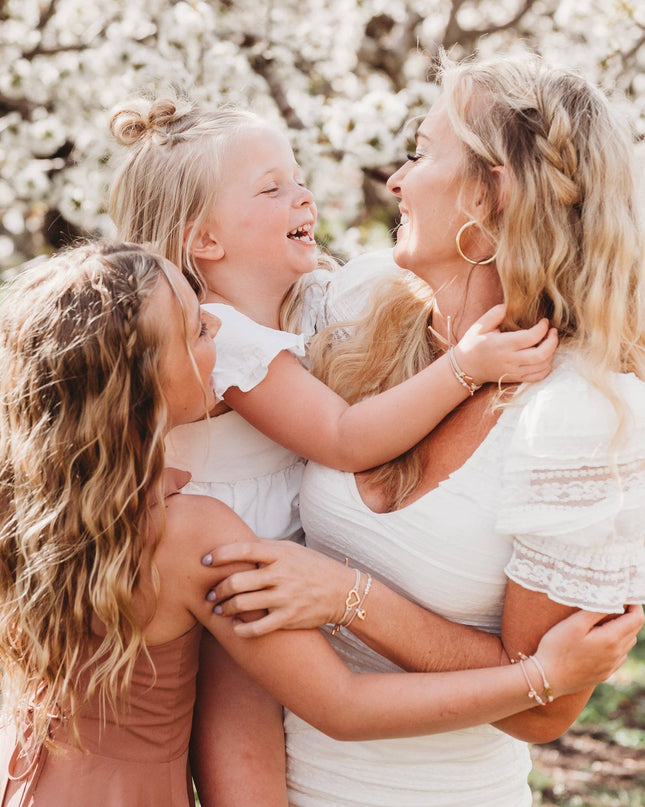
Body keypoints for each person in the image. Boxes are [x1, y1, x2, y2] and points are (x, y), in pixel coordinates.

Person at [2, 242, 638, 807]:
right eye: (197, 329)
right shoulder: (192, 534)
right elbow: (344, 706)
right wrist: (543, 678)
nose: (217, 324)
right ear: (140, 388)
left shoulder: (35, 513)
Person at [201, 55, 645, 806]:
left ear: (491, 191)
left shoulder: (577, 416)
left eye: (419, 152)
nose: (395, 182)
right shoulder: (362, 302)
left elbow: (547, 706)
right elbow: (216, 326)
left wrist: (348, 596)